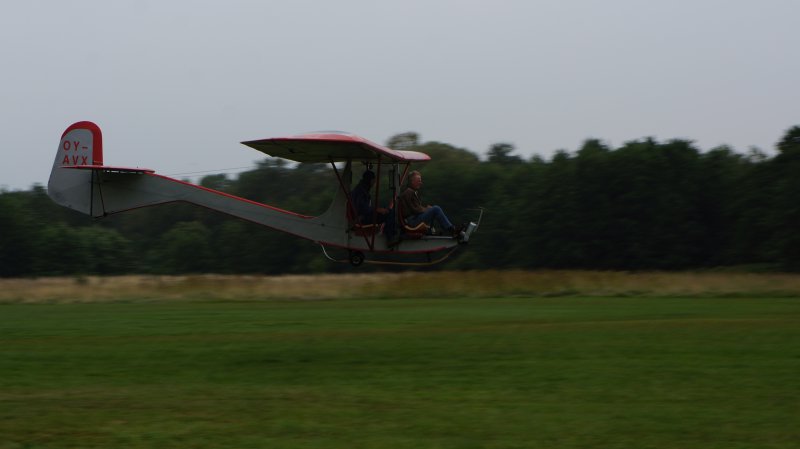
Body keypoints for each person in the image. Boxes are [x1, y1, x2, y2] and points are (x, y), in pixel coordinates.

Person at [398, 170, 460, 237]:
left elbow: (416, 208)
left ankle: (440, 229)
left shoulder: (410, 192)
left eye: (420, 181)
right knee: (436, 209)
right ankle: (451, 229)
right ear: (412, 182)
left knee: (433, 209)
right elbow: (415, 210)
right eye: (418, 181)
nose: (420, 183)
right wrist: (426, 209)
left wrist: (427, 209)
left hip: (413, 219)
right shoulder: (409, 192)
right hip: (412, 221)